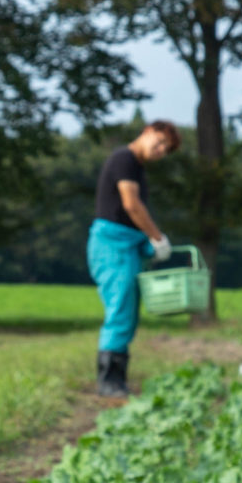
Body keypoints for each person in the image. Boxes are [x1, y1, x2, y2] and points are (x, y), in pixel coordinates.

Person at [86, 121, 181, 397]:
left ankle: (118, 378)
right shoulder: (124, 159)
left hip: (126, 244)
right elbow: (131, 205)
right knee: (120, 309)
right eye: (160, 142)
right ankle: (109, 381)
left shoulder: (135, 166)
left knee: (126, 312)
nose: (161, 150)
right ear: (148, 131)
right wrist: (157, 237)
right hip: (112, 246)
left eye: (167, 149)